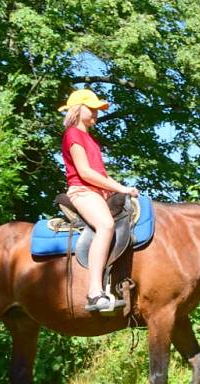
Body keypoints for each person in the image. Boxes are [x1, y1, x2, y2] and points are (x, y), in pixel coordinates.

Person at [59, 89, 139, 311]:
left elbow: (101, 175)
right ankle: (95, 292)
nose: (96, 112)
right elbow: (85, 173)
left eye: (97, 109)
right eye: (91, 108)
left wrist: (121, 189)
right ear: (77, 110)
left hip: (97, 192)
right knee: (105, 225)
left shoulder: (90, 139)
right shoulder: (73, 134)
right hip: (82, 191)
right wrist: (120, 187)